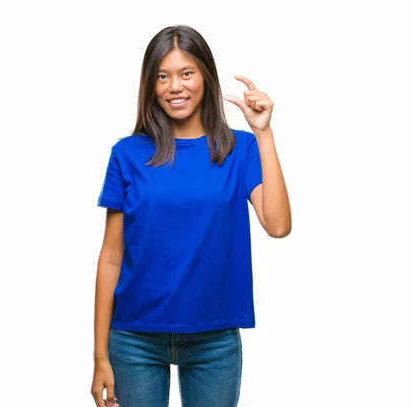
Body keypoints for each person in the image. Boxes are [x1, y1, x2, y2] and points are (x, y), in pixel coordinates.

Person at [90, 25, 291, 407]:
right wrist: (100, 356)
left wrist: (264, 134)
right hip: (134, 339)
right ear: (150, 85)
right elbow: (111, 257)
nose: (174, 87)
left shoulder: (241, 148)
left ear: (205, 77)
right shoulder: (127, 154)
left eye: (186, 73)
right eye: (162, 76)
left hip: (215, 339)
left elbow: (278, 225)